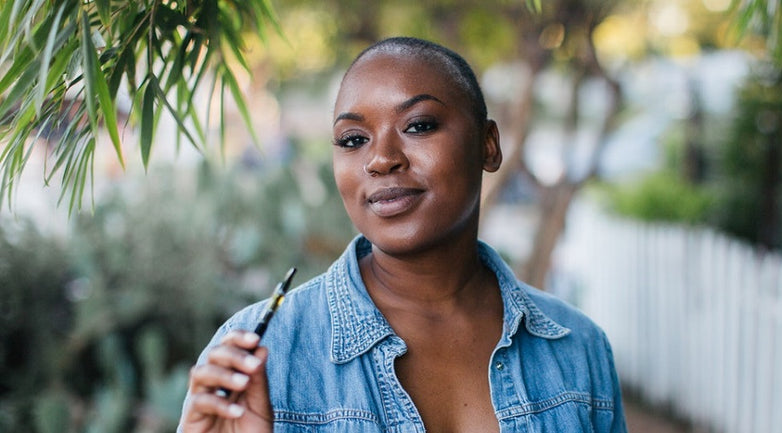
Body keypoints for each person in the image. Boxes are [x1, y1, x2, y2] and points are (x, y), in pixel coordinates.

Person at [179, 36, 627, 432]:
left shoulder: (578, 348)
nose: (381, 159)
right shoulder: (259, 355)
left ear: (488, 145)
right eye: (353, 139)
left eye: (418, 126)